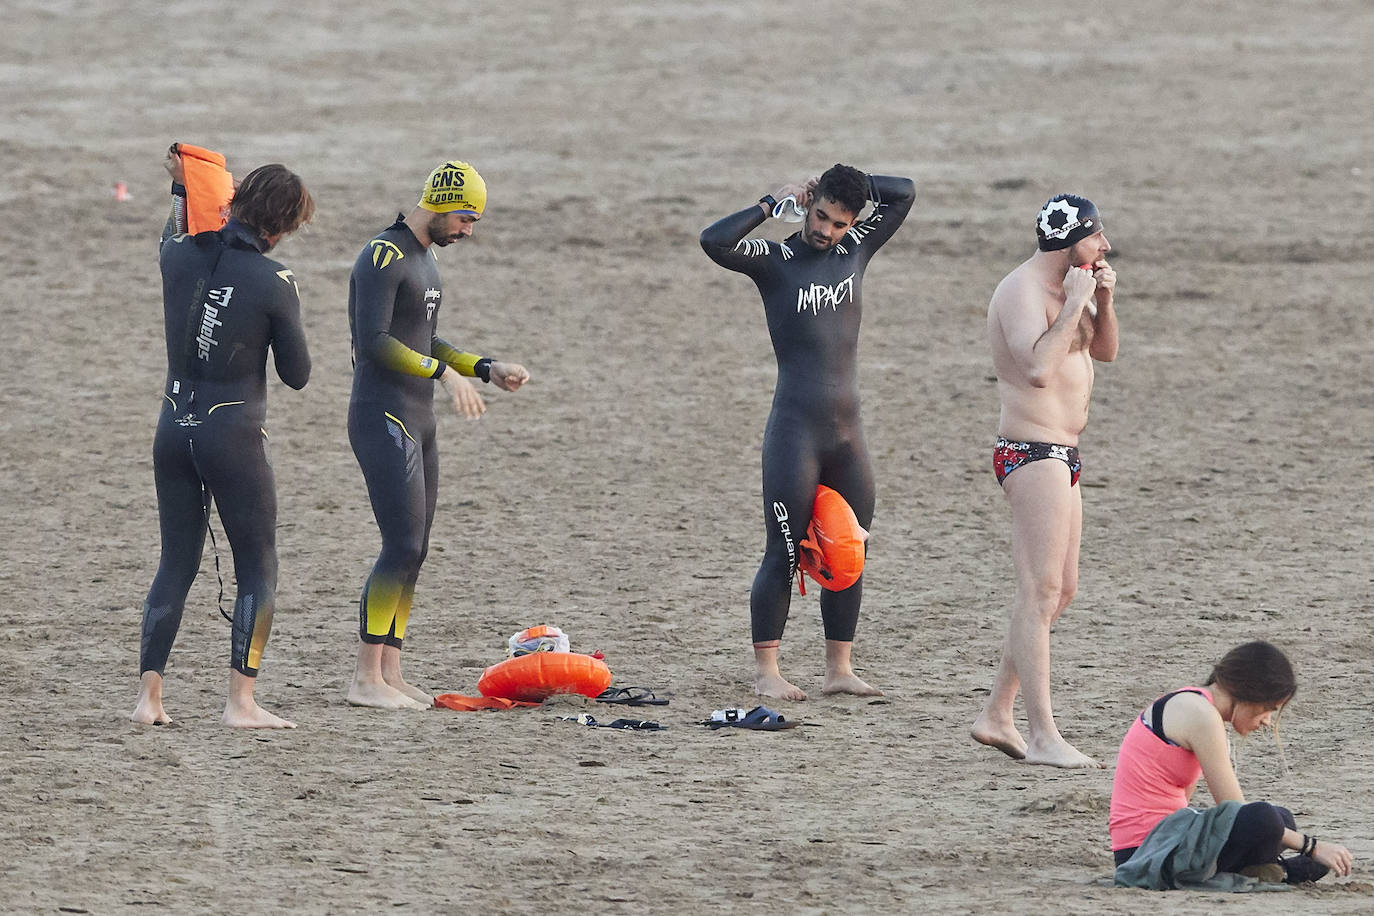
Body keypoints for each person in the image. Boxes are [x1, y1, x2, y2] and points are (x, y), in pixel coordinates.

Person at [700, 164, 915, 700]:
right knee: (785, 549)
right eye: (820, 216)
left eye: (840, 223)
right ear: (809, 203)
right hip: (795, 431)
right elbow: (714, 240)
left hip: (848, 433)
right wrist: (772, 202)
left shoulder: (855, 249)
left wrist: (846, 175)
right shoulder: (776, 260)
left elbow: (904, 194)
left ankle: (838, 668)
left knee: (850, 549)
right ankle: (767, 672)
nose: (826, 231)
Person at [132, 147, 315, 729]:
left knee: (175, 563)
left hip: (172, 429)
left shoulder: (176, 255)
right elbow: (298, 374)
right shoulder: (273, 279)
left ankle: (148, 699)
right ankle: (240, 702)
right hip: (232, 435)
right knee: (258, 565)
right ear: (283, 226)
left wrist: (185, 190)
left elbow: (178, 219)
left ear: (233, 202)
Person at [346, 160, 530, 710]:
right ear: (442, 202)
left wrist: (482, 366)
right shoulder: (383, 256)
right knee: (399, 544)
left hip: (416, 417)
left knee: (416, 548)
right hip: (382, 413)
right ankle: (363, 678)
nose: (470, 230)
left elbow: (425, 337)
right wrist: (441, 374)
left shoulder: (425, 260)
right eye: (467, 217)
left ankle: (391, 670)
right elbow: (374, 340)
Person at [970, 194, 1117, 767]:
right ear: (1069, 239)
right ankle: (1042, 735)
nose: (1105, 245)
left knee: (1063, 590)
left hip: (1065, 452)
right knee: (1039, 591)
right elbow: (1035, 370)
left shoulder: (1072, 287)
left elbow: (1104, 352)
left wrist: (1101, 300)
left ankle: (996, 714)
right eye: (1096, 235)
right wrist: (1072, 305)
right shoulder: (1021, 291)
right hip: (1030, 449)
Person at [1110, 640, 1353, 885]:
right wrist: (1311, 846)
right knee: (1263, 818)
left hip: (1167, 838)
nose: (1267, 721)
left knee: (1281, 818)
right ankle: (1280, 871)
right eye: (1267, 708)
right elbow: (1234, 808)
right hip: (1146, 851)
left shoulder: (1198, 706)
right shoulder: (1200, 715)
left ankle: (1268, 871)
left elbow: (1189, 805)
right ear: (1248, 692)